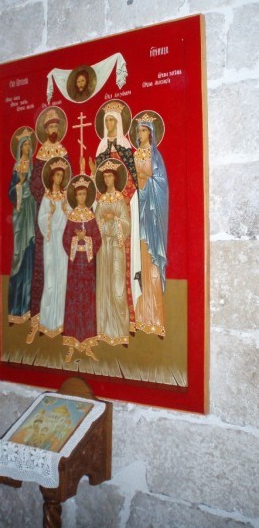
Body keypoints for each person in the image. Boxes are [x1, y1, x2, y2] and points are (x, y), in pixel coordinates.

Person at [90, 101, 141, 331]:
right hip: (104, 211)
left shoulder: (125, 148)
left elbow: (132, 180)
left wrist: (119, 199)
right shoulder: (101, 149)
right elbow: (97, 184)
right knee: (104, 274)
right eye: (106, 120)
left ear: (119, 123)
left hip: (123, 208)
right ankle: (104, 321)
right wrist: (96, 182)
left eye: (112, 120)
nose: (109, 123)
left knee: (121, 273)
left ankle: (126, 319)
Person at [26, 108, 69, 343]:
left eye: (56, 126)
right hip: (45, 218)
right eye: (50, 127)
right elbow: (35, 183)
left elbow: (70, 182)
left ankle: (61, 319)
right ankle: (39, 320)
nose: (53, 130)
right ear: (45, 130)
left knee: (61, 271)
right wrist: (47, 197)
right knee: (43, 269)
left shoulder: (63, 152)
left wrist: (62, 199)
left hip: (63, 217)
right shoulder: (41, 153)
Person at [133, 112, 169, 337]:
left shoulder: (155, 157)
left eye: (144, 130)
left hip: (152, 217)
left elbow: (162, 184)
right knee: (140, 264)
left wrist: (147, 181)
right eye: (138, 131)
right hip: (138, 212)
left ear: (151, 133)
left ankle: (155, 319)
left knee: (152, 266)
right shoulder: (136, 155)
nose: (140, 134)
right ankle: (141, 316)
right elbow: (130, 184)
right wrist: (138, 182)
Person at [62, 176, 101, 363]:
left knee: (87, 301)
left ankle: (87, 345)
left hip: (87, 266)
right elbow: (65, 240)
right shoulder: (71, 217)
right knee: (73, 302)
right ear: (75, 196)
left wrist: (86, 238)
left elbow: (98, 239)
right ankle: (71, 346)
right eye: (79, 194)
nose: (82, 197)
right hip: (74, 266)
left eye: (84, 194)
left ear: (87, 195)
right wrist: (77, 239)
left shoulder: (91, 217)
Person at [95, 160, 131, 346]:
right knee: (104, 285)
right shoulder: (101, 200)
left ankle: (121, 331)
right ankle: (104, 330)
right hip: (104, 248)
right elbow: (95, 224)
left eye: (109, 176)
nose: (107, 179)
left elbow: (127, 225)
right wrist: (103, 221)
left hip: (116, 246)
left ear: (115, 178)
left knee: (117, 287)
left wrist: (114, 219)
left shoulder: (120, 199)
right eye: (104, 176)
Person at [38, 158, 70, 338]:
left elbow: (72, 216)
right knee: (50, 280)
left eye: (61, 176)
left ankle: (60, 323)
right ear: (51, 177)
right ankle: (46, 322)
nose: (59, 178)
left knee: (62, 279)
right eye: (57, 175)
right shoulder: (46, 198)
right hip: (51, 242)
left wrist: (65, 210)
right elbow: (41, 220)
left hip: (63, 241)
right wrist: (49, 213)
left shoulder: (65, 197)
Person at [7, 129, 36, 324]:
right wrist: (21, 185)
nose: (27, 147)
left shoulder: (32, 167)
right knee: (18, 258)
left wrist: (30, 188)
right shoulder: (17, 167)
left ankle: (27, 308)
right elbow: (11, 192)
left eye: (28, 145)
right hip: (20, 216)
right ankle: (15, 308)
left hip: (31, 215)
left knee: (29, 260)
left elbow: (36, 190)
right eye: (24, 144)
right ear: (20, 148)